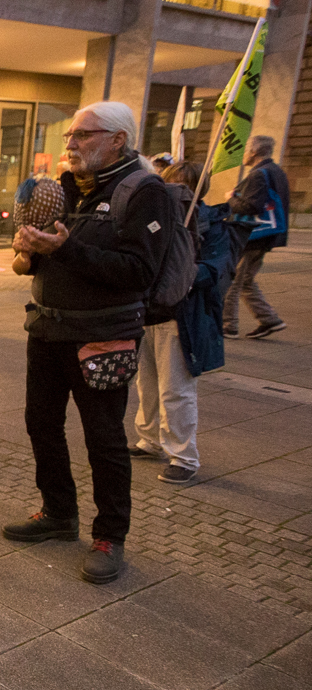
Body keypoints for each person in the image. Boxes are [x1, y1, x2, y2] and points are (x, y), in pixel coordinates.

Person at [7, 101, 168, 585]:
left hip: (103, 337)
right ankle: (59, 512)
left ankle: (110, 536)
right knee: (41, 424)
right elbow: (49, 257)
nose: (72, 144)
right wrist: (30, 256)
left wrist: (66, 248)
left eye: (83, 135)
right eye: (70, 137)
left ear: (118, 140)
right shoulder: (62, 189)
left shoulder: (144, 191)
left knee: (104, 438)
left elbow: (139, 272)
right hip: (48, 331)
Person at [130, 161, 237, 485]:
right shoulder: (158, 216)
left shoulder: (210, 224)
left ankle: (183, 456)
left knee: (176, 389)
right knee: (147, 383)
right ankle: (150, 438)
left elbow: (216, 267)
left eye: (183, 187)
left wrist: (182, 273)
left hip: (180, 315)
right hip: (149, 313)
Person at [221, 135, 290, 339]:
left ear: (254, 152)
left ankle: (228, 325)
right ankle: (270, 320)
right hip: (267, 235)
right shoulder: (276, 171)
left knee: (232, 280)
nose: (243, 154)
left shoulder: (258, 174)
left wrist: (231, 199)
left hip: (251, 236)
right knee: (246, 280)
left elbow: (251, 206)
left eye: (245, 150)